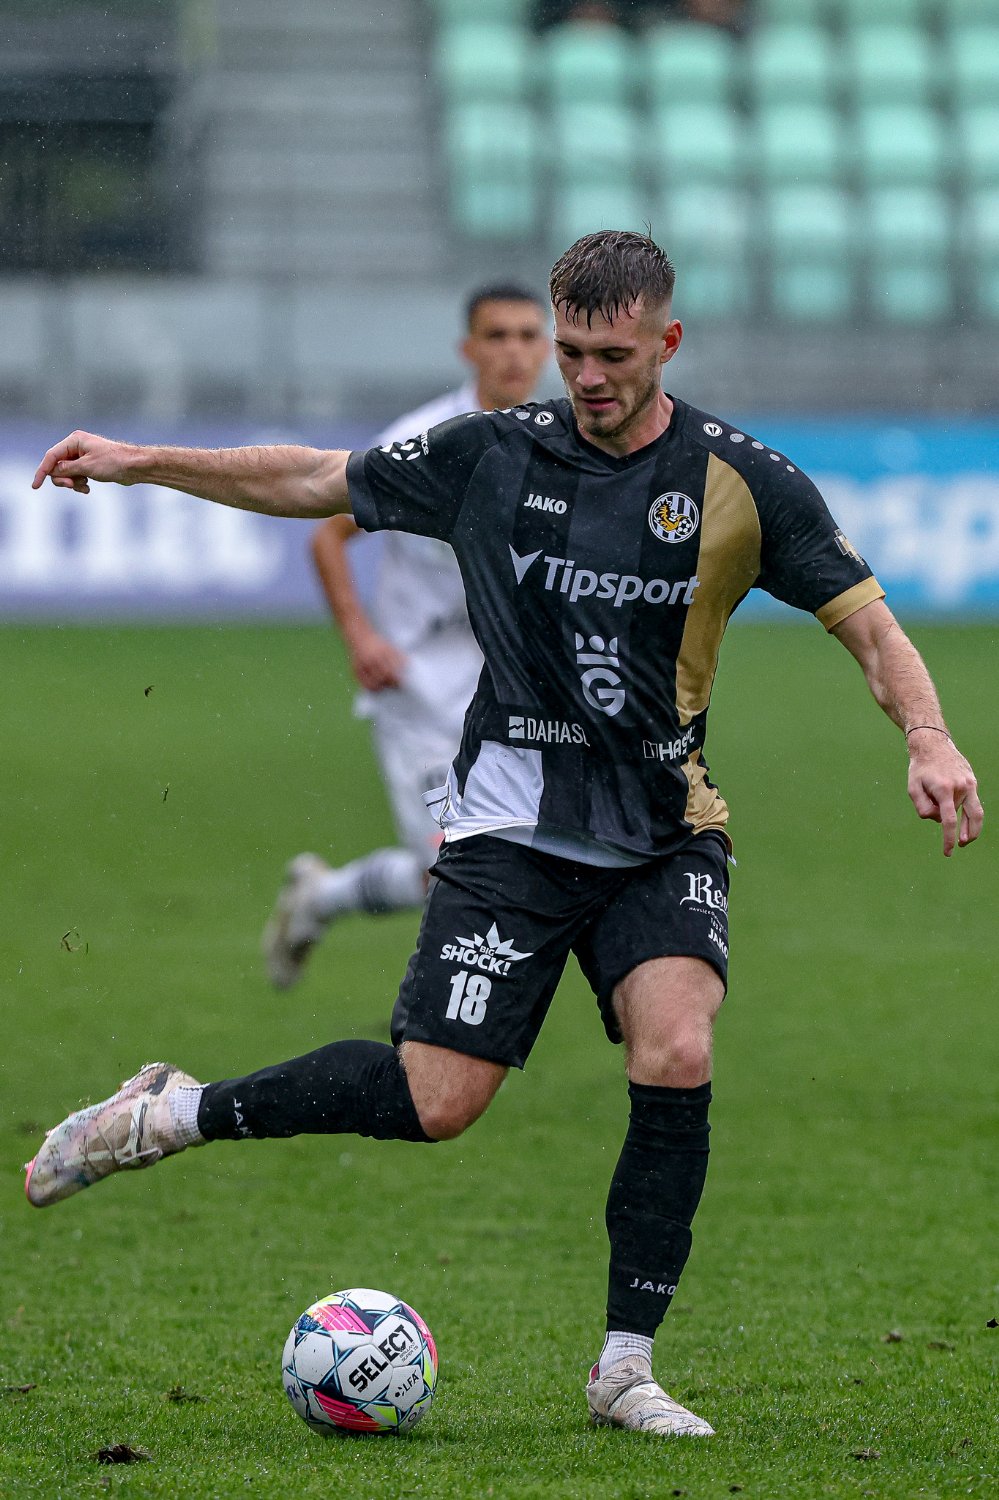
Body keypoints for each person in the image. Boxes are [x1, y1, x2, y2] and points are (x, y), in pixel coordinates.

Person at [26, 231, 982, 1438]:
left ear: (668, 342)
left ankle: (625, 1368)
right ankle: (172, 1112)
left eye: (612, 355)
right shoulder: (490, 452)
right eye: (571, 350)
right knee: (438, 1101)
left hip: (663, 825)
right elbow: (314, 481)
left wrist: (929, 736)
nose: (586, 375)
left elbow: (872, 627)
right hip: (510, 828)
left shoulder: (743, 483)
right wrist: (143, 460)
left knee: (677, 1048)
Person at [263, 284, 550, 989]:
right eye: (497, 336)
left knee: (503, 862)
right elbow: (328, 537)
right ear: (468, 348)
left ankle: (321, 897)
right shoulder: (423, 441)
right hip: (418, 689)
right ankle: (444, 1019)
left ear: (547, 348)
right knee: (451, 866)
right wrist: (361, 638)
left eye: (527, 335)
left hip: (506, 692)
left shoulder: (558, 441)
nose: (514, 352)